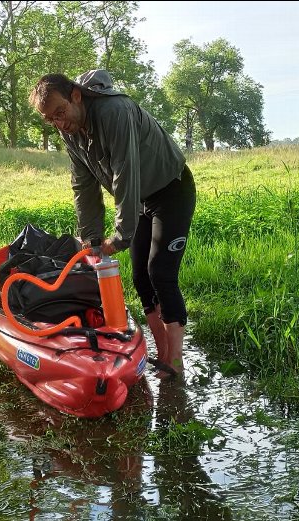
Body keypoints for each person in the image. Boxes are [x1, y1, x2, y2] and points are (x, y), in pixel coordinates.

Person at [28, 69, 197, 379]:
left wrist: (120, 235)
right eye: (51, 119)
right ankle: (161, 358)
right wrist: (90, 237)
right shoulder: (70, 132)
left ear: (76, 95)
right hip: (144, 200)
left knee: (160, 272)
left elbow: (125, 172)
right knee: (141, 279)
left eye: (61, 112)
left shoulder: (113, 111)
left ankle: (175, 364)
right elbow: (83, 185)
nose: (59, 123)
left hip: (172, 190)